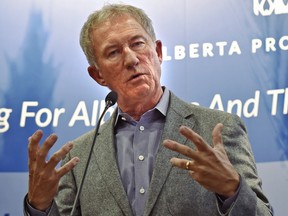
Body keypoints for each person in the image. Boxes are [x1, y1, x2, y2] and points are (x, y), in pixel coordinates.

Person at [24, 3, 273, 216]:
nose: (131, 59)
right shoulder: (79, 157)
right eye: (113, 52)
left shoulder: (218, 129)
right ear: (97, 75)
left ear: (158, 52)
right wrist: (39, 206)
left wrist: (233, 190)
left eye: (138, 44)